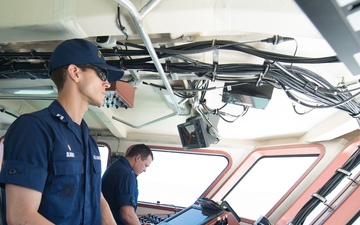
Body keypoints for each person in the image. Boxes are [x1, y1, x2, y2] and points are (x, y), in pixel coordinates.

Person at [0, 38, 124, 225]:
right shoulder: (34, 129)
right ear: (75, 73)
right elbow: (21, 217)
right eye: (102, 74)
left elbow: (94, 193)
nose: (107, 84)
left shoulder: (87, 141)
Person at [102, 144, 153, 225]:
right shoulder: (126, 174)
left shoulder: (117, 166)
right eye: (145, 165)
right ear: (138, 158)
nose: (145, 170)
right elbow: (127, 215)